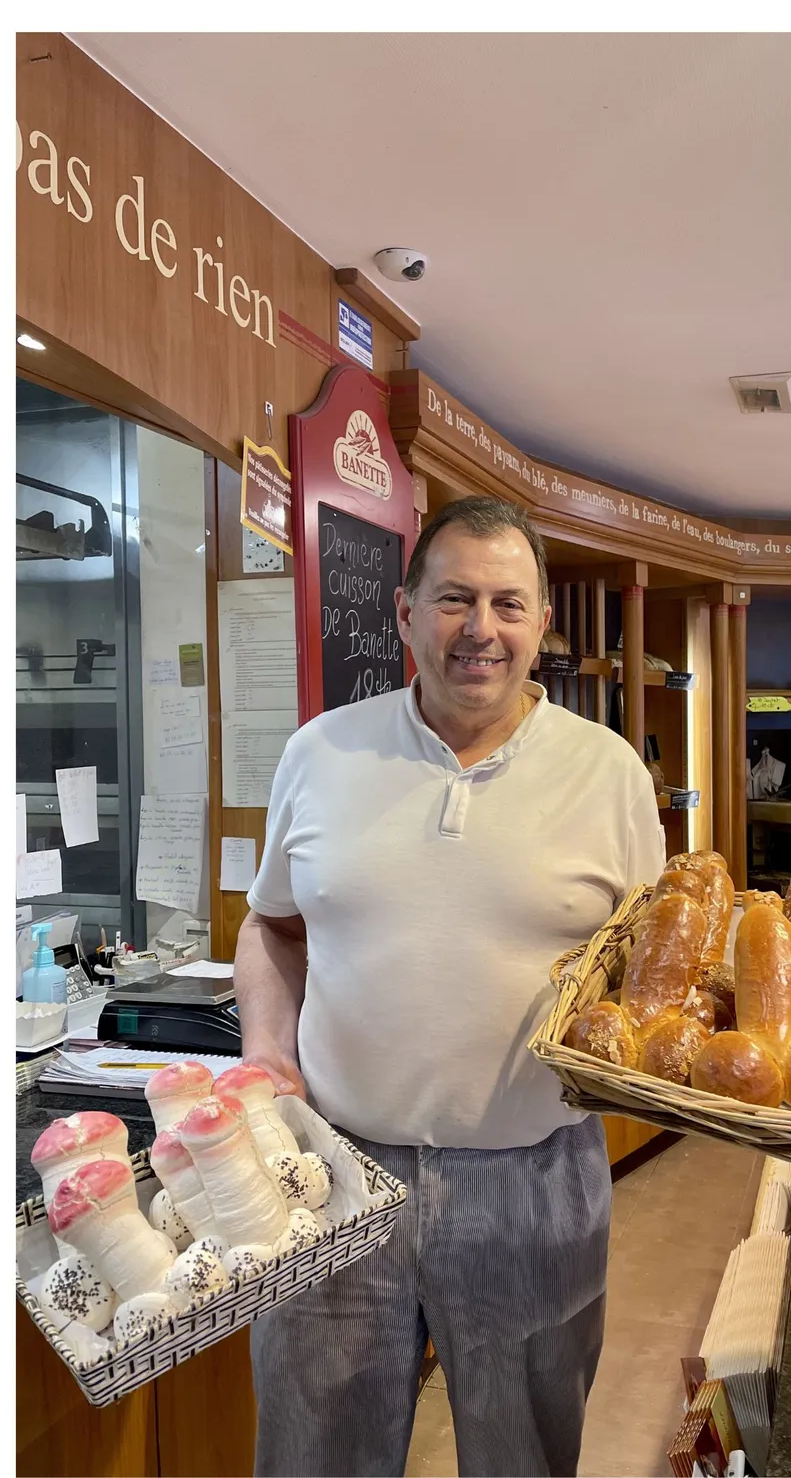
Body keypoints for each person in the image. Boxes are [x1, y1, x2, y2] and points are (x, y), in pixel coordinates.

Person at [237, 495, 665, 1478]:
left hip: (535, 1180)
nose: (481, 628)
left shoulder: (608, 774)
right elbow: (273, 924)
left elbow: (644, 977)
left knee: (525, 1455)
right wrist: (266, 1045)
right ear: (403, 612)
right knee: (314, 1453)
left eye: (508, 603)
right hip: (332, 1174)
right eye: (454, 599)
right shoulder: (319, 753)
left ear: (542, 624)